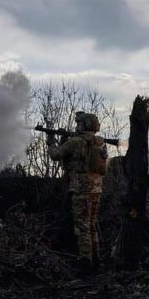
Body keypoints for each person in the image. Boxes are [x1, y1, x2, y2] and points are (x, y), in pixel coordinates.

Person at [47, 111, 108, 270]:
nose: (77, 125)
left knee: (82, 226)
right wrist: (63, 138)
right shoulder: (98, 142)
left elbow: (56, 155)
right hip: (96, 188)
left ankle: (85, 262)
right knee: (92, 224)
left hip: (81, 188)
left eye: (78, 123)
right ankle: (96, 260)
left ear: (83, 125)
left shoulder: (75, 142)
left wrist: (50, 141)